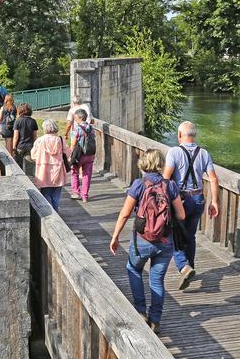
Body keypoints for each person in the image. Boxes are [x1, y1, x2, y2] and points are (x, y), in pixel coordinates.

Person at [109, 149, 186, 334]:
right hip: (165, 241)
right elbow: (182, 215)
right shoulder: (170, 185)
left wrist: (115, 236)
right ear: (160, 163)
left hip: (142, 240)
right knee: (157, 279)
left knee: (133, 269)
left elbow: (126, 213)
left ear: (144, 163)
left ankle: (141, 311)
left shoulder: (139, 184)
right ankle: (155, 320)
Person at [163, 121, 220, 291]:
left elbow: (166, 178)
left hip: (180, 200)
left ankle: (184, 266)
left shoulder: (174, 152)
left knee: (174, 234)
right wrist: (214, 201)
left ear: (179, 135)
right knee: (190, 235)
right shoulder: (203, 153)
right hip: (198, 199)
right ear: (194, 135)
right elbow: (214, 179)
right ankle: (190, 266)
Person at [30, 119, 68, 211]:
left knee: (45, 193)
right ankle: (56, 211)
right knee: (56, 195)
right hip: (58, 170)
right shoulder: (60, 139)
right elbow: (67, 153)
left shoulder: (39, 141)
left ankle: (49, 213)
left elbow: (33, 156)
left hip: (44, 171)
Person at [69, 109, 95, 202]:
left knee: (74, 172)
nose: (74, 119)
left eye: (75, 117)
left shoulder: (77, 129)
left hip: (79, 155)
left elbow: (73, 144)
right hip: (90, 154)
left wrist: (70, 155)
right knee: (87, 175)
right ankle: (85, 196)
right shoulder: (91, 128)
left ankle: (76, 193)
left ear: (80, 118)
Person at [11, 102, 38, 169]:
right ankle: (29, 178)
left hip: (20, 146)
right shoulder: (33, 121)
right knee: (29, 166)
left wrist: (14, 147)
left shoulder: (17, 121)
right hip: (30, 146)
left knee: (18, 166)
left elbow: (16, 136)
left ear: (20, 111)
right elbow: (35, 136)